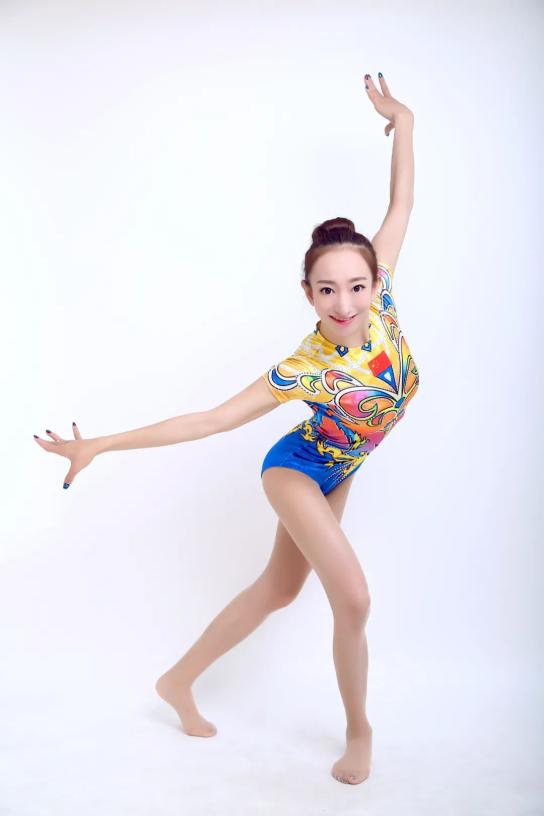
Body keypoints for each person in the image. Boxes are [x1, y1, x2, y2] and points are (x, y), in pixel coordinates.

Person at [33, 73, 419, 785]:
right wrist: (101, 444)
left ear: (375, 281)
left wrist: (405, 119)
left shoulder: (385, 305)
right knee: (355, 599)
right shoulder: (302, 367)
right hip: (297, 470)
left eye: (356, 286)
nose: (344, 303)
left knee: (278, 590)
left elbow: (400, 202)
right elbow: (209, 420)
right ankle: (359, 731)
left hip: (343, 468)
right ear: (308, 293)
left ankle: (177, 681)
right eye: (327, 290)